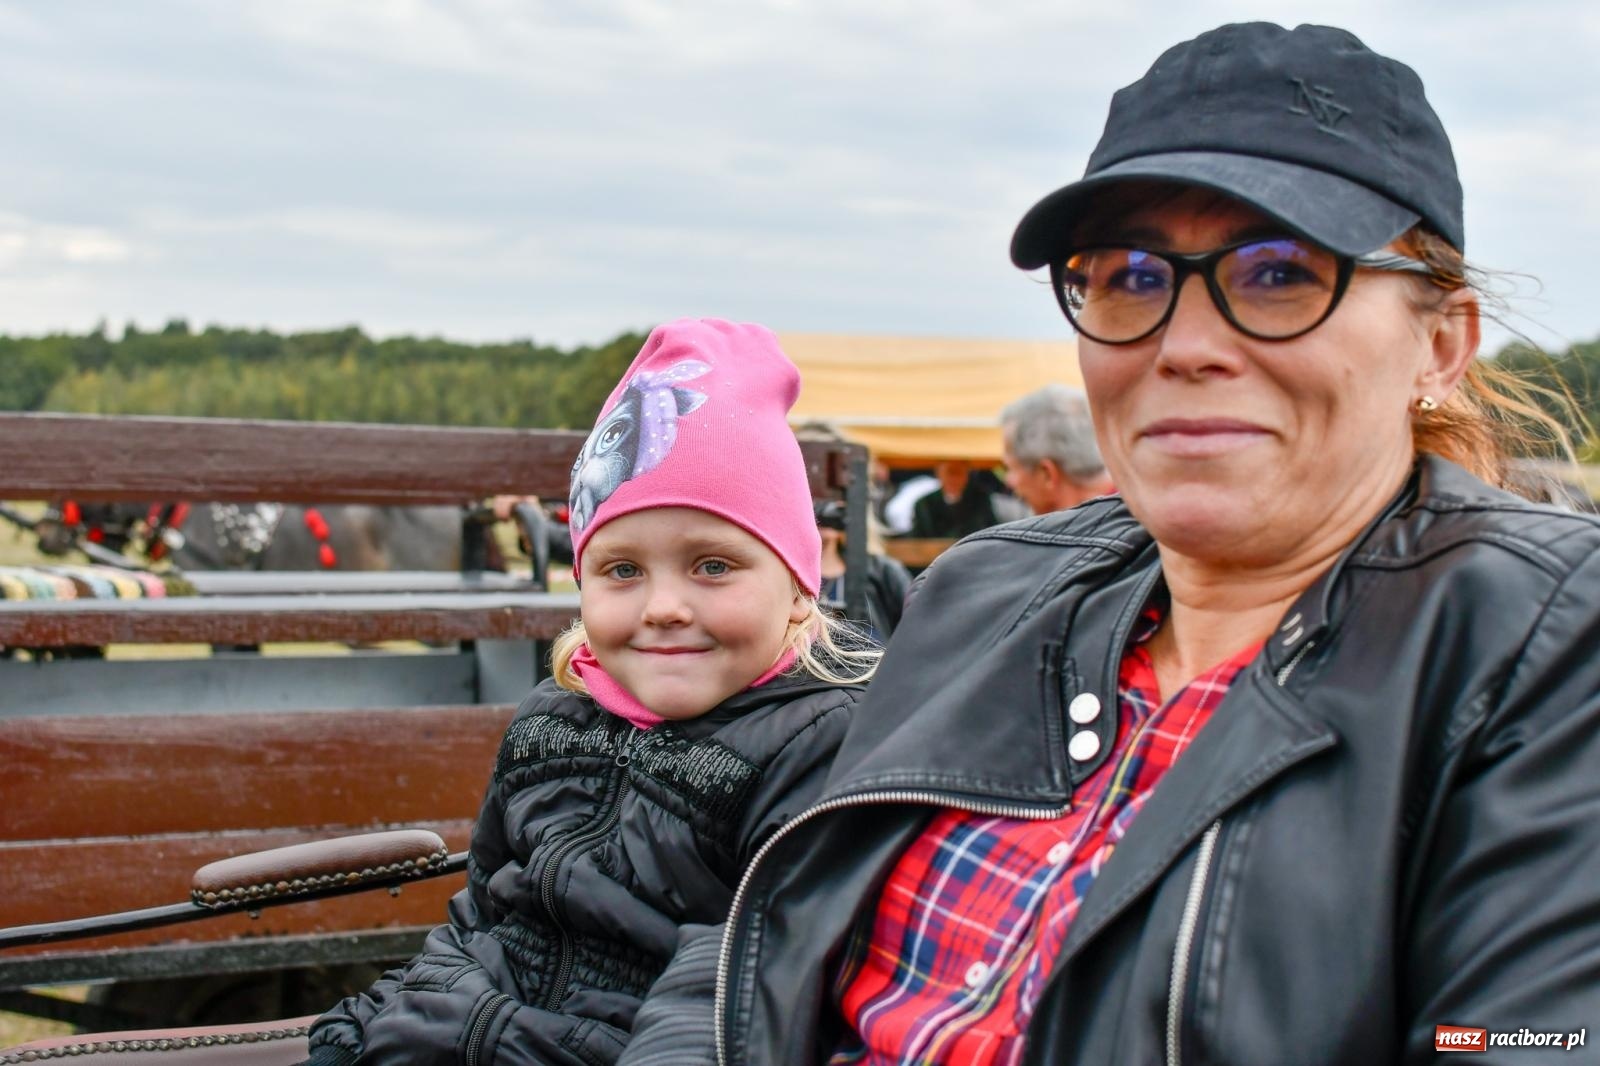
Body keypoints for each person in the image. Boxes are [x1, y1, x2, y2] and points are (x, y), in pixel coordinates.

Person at [618, 23, 1600, 1065]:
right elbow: (762, 928)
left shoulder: (1538, 643)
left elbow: (1521, 1037)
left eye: (1277, 274)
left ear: (1440, 344)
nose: (1183, 345)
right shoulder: (988, 591)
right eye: (1129, 277)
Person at [301, 319, 878, 1066]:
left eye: (711, 566)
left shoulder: (819, 745)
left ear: (799, 590)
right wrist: (365, 1030)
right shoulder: (551, 719)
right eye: (622, 570)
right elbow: (482, 916)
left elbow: (749, 979)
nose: (663, 606)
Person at [1000, 384, 1114, 513]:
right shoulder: (1133, 507)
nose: (1008, 481)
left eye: (1009, 468)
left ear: (1047, 474)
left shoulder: (1093, 524)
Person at [814, 498, 912, 641]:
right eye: (817, 499)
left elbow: (917, 617)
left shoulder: (881, 572)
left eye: (837, 500)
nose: (827, 508)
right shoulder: (791, 577)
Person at [907, 459, 1000, 538]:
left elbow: (990, 529)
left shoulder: (980, 500)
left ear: (967, 475)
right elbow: (917, 538)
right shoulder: (924, 504)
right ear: (938, 473)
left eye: (959, 472)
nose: (954, 479)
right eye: (950, 472)